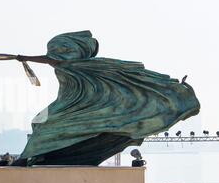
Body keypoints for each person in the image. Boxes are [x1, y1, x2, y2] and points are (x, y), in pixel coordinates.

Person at [12, 31, 200, 167]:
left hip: (82, 109)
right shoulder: (72, 65)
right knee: (39, 122)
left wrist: (24, 57)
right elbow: (52, 60)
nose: (53, 55)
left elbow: (52, 60)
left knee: (42, 124)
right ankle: (38, 157)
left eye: (58, 50)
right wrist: (24, 58)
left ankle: (26, 158)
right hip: (69, 106)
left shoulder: (81, 65)